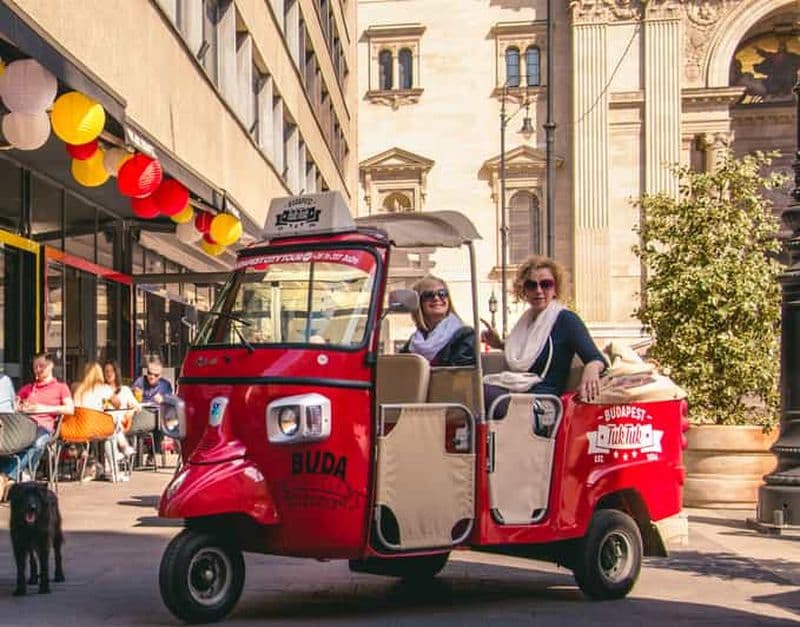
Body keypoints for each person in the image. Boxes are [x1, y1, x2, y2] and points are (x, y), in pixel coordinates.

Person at [481, 255, 606, 412]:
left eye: (546, 284)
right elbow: (529, 355)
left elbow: (596, 357)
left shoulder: (565, 319)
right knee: (472, 393)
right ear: (524, 290)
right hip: (517, 396)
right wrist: (499, 344)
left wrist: (592, 367)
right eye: (531, 285)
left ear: (555, 289)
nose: (538, 291)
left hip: (543, 404)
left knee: (480, 393)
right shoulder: (526, 322)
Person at [0, 353, 73, 485]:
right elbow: (15, 404)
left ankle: (10, 475)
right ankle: (19, 473)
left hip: (44, 426)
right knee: (7, 442)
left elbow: (70, 409)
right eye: (35, 367)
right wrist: (20, 406)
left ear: (50, 366)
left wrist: (42, 408)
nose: (37, 369)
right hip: (24, 425)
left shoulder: (61, 387)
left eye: (41, 366)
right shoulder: (28, 388)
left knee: (38, 443)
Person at [400, 275, 475, 366]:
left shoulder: (465, 335)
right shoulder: (413, 342)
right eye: (428, 295)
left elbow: (461, 375)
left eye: (442, 293)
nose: (436, 298)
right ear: (418, 303)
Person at [132, 356, 173, 460]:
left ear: (160, 375)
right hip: (141, 415)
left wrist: (163, 400)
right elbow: (132, 399)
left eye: (156, 375)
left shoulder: (165, 385)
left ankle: (151, 455)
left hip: (157, 417)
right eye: (149, 373)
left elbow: (170, 403)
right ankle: (133, 455)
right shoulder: (140, 381)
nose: (151, 377)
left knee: (160, 425)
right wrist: (135, 396)